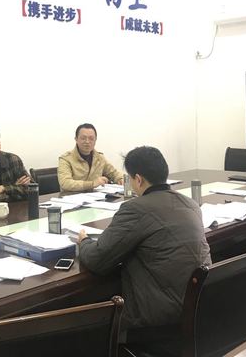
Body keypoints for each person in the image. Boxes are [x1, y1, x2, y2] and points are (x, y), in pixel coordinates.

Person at [78, 146, 211, 356]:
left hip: (156, 322)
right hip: (197, 310)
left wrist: (84, 241)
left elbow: (97, 260)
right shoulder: (190, 204)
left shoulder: (135, 208)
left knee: (86, 330)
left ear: (138, 179)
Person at [58, 123, 123, 192]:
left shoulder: (99, 158)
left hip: (96, 196)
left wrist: (120, 179)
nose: (87, 141)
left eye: (91, 138)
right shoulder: (66, 159)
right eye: (83, 138)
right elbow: (65, 183)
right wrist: (92, 184)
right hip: (71, 196)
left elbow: (114, 173)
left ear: (95, 140)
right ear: (76, 139)